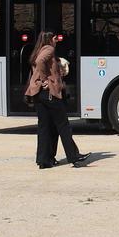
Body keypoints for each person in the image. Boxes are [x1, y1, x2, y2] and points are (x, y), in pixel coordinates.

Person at [25, 32, 89, 169]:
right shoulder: (49, 49)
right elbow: (40, 62)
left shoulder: (38, 50)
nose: (57, 41)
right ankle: (73, 156)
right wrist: (46, 80)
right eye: (55, 38)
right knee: (63, 125)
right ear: (49, 39)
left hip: (38, 94)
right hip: (49, 93)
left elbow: (38, 63)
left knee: (45, 127)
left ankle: (44, 160)